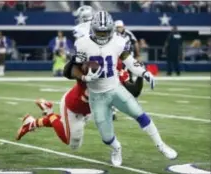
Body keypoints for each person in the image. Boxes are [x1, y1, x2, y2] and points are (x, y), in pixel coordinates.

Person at [66, 11, 177, 166]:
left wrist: (144, 72)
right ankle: (116, 148)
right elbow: (73, 69)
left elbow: (129, 61)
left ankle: (161, 145)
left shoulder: (118, 41)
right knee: (106, 137)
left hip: (115, 88)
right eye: (100, 31)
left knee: (140, 114)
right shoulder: (82, 43)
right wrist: (85, 77)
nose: (103, 35)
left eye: (106, 31)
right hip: (96, 95)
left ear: (111, 29)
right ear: (92, 28)